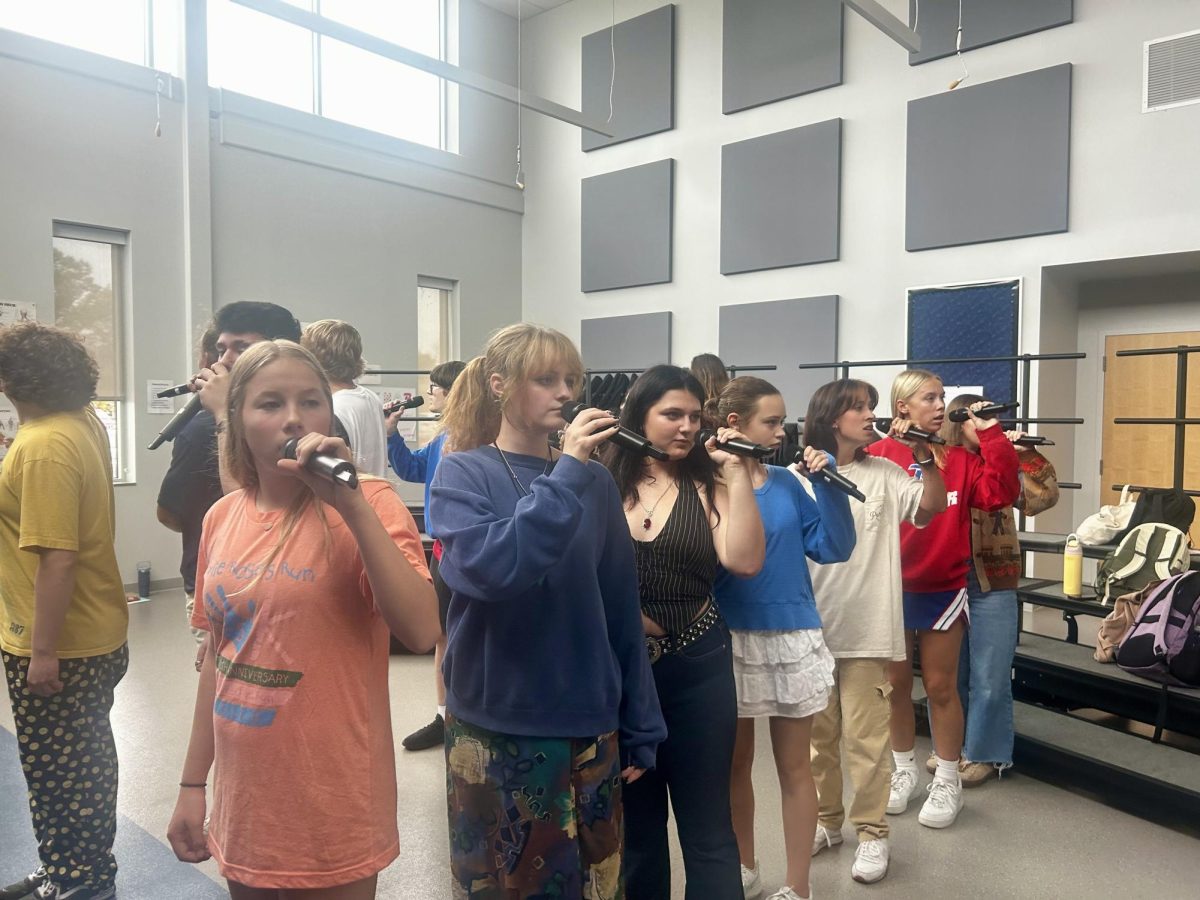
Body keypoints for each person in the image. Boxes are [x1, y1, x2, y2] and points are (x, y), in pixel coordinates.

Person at [166, 341, 439, 898]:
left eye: (310, 401)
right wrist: (193, 784)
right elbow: (219, 662)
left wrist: (351, 503)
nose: (294, 417)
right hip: (246, 799)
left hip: (333, 794)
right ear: (237, 419)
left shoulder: (373, 503)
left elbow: (421, 629)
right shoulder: (223, 515)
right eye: (270, 403)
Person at [429, 323, 665, 898]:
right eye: (546, 380)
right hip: (496, 723)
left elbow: (618, 604)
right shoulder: (463, 473)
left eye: (571, 381)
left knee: (592, 882)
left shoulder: (597, 483)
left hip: (587, 720)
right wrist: (566, 475)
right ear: (499, 385)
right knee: (504, 884)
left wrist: (640, 720)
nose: (565, 392)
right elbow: (494, 570)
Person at [604, 364, 765, 900]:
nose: (687, 426)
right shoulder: (601, 478)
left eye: (695, 416)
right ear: (638, 415)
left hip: (697, 663)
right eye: (672, 414)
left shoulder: (711, 481)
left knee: (708, 828)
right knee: (639, 832)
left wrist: (737, 473)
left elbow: (743, 561)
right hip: (623, 671)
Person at [709, 378, 856, 900]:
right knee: (734, 765)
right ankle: (745, 865)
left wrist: (832, 486)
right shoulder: (708, 484)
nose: (782, 431)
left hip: (792, 635)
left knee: (796, 768)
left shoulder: (788, 483)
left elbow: (834, 548)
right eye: (771, 422)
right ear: (734, 425)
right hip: (727, 637)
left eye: (782, 421)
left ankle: (799, 885)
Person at [0, 323, 130, 900]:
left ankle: (80, 878)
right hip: (93, 627)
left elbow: (58, 558)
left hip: (60, 638)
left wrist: (43, 652)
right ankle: (70, 868)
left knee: (59, 771)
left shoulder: (42, 445)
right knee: (82, 759)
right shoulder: (80, 423)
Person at [802, 379, 946, 885]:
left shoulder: (884, 470)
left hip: (868, 630)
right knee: (818, 742)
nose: (870, 415)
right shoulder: (797, 477)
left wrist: (924, 457)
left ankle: (872, 833)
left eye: (871, 407)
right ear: (831, 415)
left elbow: (931, 509)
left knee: (867, 741)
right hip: (812, 632)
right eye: (858, 408)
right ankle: (825, 822)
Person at [867, 370, 1019, 830]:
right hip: (890, 590)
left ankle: (948, 778)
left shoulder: (959, 459)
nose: (939, 406)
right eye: (929, 398)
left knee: (939, 687)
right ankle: (904, 771)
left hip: (943, 589)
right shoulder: (878, 455)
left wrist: (991, 434)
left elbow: (1003, 493)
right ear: (902, 408)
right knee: (894, 688)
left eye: (941, 398)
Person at [157, 302, 301, 665]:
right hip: (226, 581)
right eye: (221, 349)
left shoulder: (214, 425)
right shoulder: (202, 427)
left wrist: (222, 413)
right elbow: (169, 514)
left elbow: (247, 513)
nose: (226, 359)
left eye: (242, 347)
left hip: (283, 579)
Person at [935, 394, 1059, 786]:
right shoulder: (943, 460)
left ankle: (986, 753)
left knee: (989, 673)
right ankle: (952, 750)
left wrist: (1023, 454)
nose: (989, 422)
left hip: (994, 578)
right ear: (959, 420)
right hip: (949, 577)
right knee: (953, 674)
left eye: (991, 416)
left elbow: (1042, 498)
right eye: (979, 416)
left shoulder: (1002, 458)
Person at [385, 359, 466, 751]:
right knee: (441, 636)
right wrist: (391, 435)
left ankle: (467, 715)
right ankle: (442, 715)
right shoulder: (442, 437)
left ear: (451, 391)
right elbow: (413, 470)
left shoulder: (469, 439)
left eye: (435, 386)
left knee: (461, 635)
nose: (430, 392)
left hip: (464, 550)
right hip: (441, 550)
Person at [301, 319, 387, 477]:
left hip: (345, 496)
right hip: (372, 494)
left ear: (312, 358)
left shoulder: (333, 408)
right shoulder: (370, 397)